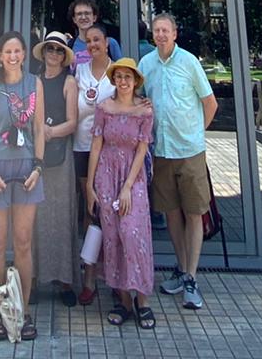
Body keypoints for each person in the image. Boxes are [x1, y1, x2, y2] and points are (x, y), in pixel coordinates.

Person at [138, 12, 217, 312]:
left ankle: (192, 277)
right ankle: (183, 269)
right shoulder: (147, 65)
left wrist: (196, 134)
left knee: (194, 213)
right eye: (157, 30)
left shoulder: (189, 63)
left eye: (165, 30)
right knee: (171, 213)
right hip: (162, 151)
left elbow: (210, 103)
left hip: (189, 151)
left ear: (175, 33)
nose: (160, 35)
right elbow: (142, 100)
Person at [0, 31, 45, 342]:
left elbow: (40, 127)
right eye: (7, 51)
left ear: (24, 53)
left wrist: (39, 166)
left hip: (27, 169)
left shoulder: (35, 83)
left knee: (24, 243)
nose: (13, 56)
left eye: (17, 51)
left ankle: (23, 310)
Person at [86, 57, 155, 329]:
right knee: (113, 236)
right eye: (119, 77)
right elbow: (95, 146)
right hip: (105, 173)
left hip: (132, 177)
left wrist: (127, 185)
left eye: (128, 77)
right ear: (113, 80)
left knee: (133, 233)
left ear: (135, 81)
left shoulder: (145, 111)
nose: (123, 82)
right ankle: (124, 300)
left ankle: (143, 299)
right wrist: (90, 186)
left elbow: (142, 148)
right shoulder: (104, 108)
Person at [31, 30, 80, 306]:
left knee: (61, 217)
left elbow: (73, 121)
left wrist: (49, 132)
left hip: (60, 157)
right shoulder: (35, 81)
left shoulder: (69, 81)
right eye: (50, 48)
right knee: (35, 217)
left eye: (59, 50)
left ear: (64, 56)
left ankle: (63, 280)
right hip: (36, 157)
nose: (54, 53)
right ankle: (35, 276)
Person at [72, 23, 116, 303]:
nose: (92, 45)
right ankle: (89, 277)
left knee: (111, 214)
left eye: (97, 40)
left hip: (111, 153)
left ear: (107, 42)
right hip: (83, 148)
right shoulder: (80, 72)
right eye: (88, 41)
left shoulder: (119, 72)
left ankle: (114, 276)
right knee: (90, 212)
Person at [69, 0, 122, 65]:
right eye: (79, 14)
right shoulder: (69, 46)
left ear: (94, 17)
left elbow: (120, 71)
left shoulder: (110, 43)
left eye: (87, 13)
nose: (83, 17)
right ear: (74, 19)